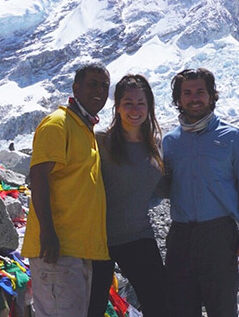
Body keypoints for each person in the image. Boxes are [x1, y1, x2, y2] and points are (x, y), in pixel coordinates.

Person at [162, 68, 239, 317]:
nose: (194, 98)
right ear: (178, 100)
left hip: (218, 235)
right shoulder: (170, 142)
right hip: (180, 236)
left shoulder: (235, 138)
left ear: (211, 96)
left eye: (200, 91)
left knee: (222, 308)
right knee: (181, 308)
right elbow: (159, 188)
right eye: (187, 93)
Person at [22, 62, 111, 316]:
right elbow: (38, 177)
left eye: (104, 86)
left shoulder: (84, 129)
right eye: (93, 84)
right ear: (76, 87)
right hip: (56, 249)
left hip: (77, 249)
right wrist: (48, 233)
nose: (100, 91)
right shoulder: (58, 124)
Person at [88, 75, 167, 317]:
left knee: (161, 305)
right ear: (118, 106)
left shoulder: (155, 145)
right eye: (128, 103)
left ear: (149, 106)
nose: (135, 109)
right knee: (93, 309)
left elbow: (160, 190)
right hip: (99, 241)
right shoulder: (100, 141)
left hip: (139, 236)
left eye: (141, 103)